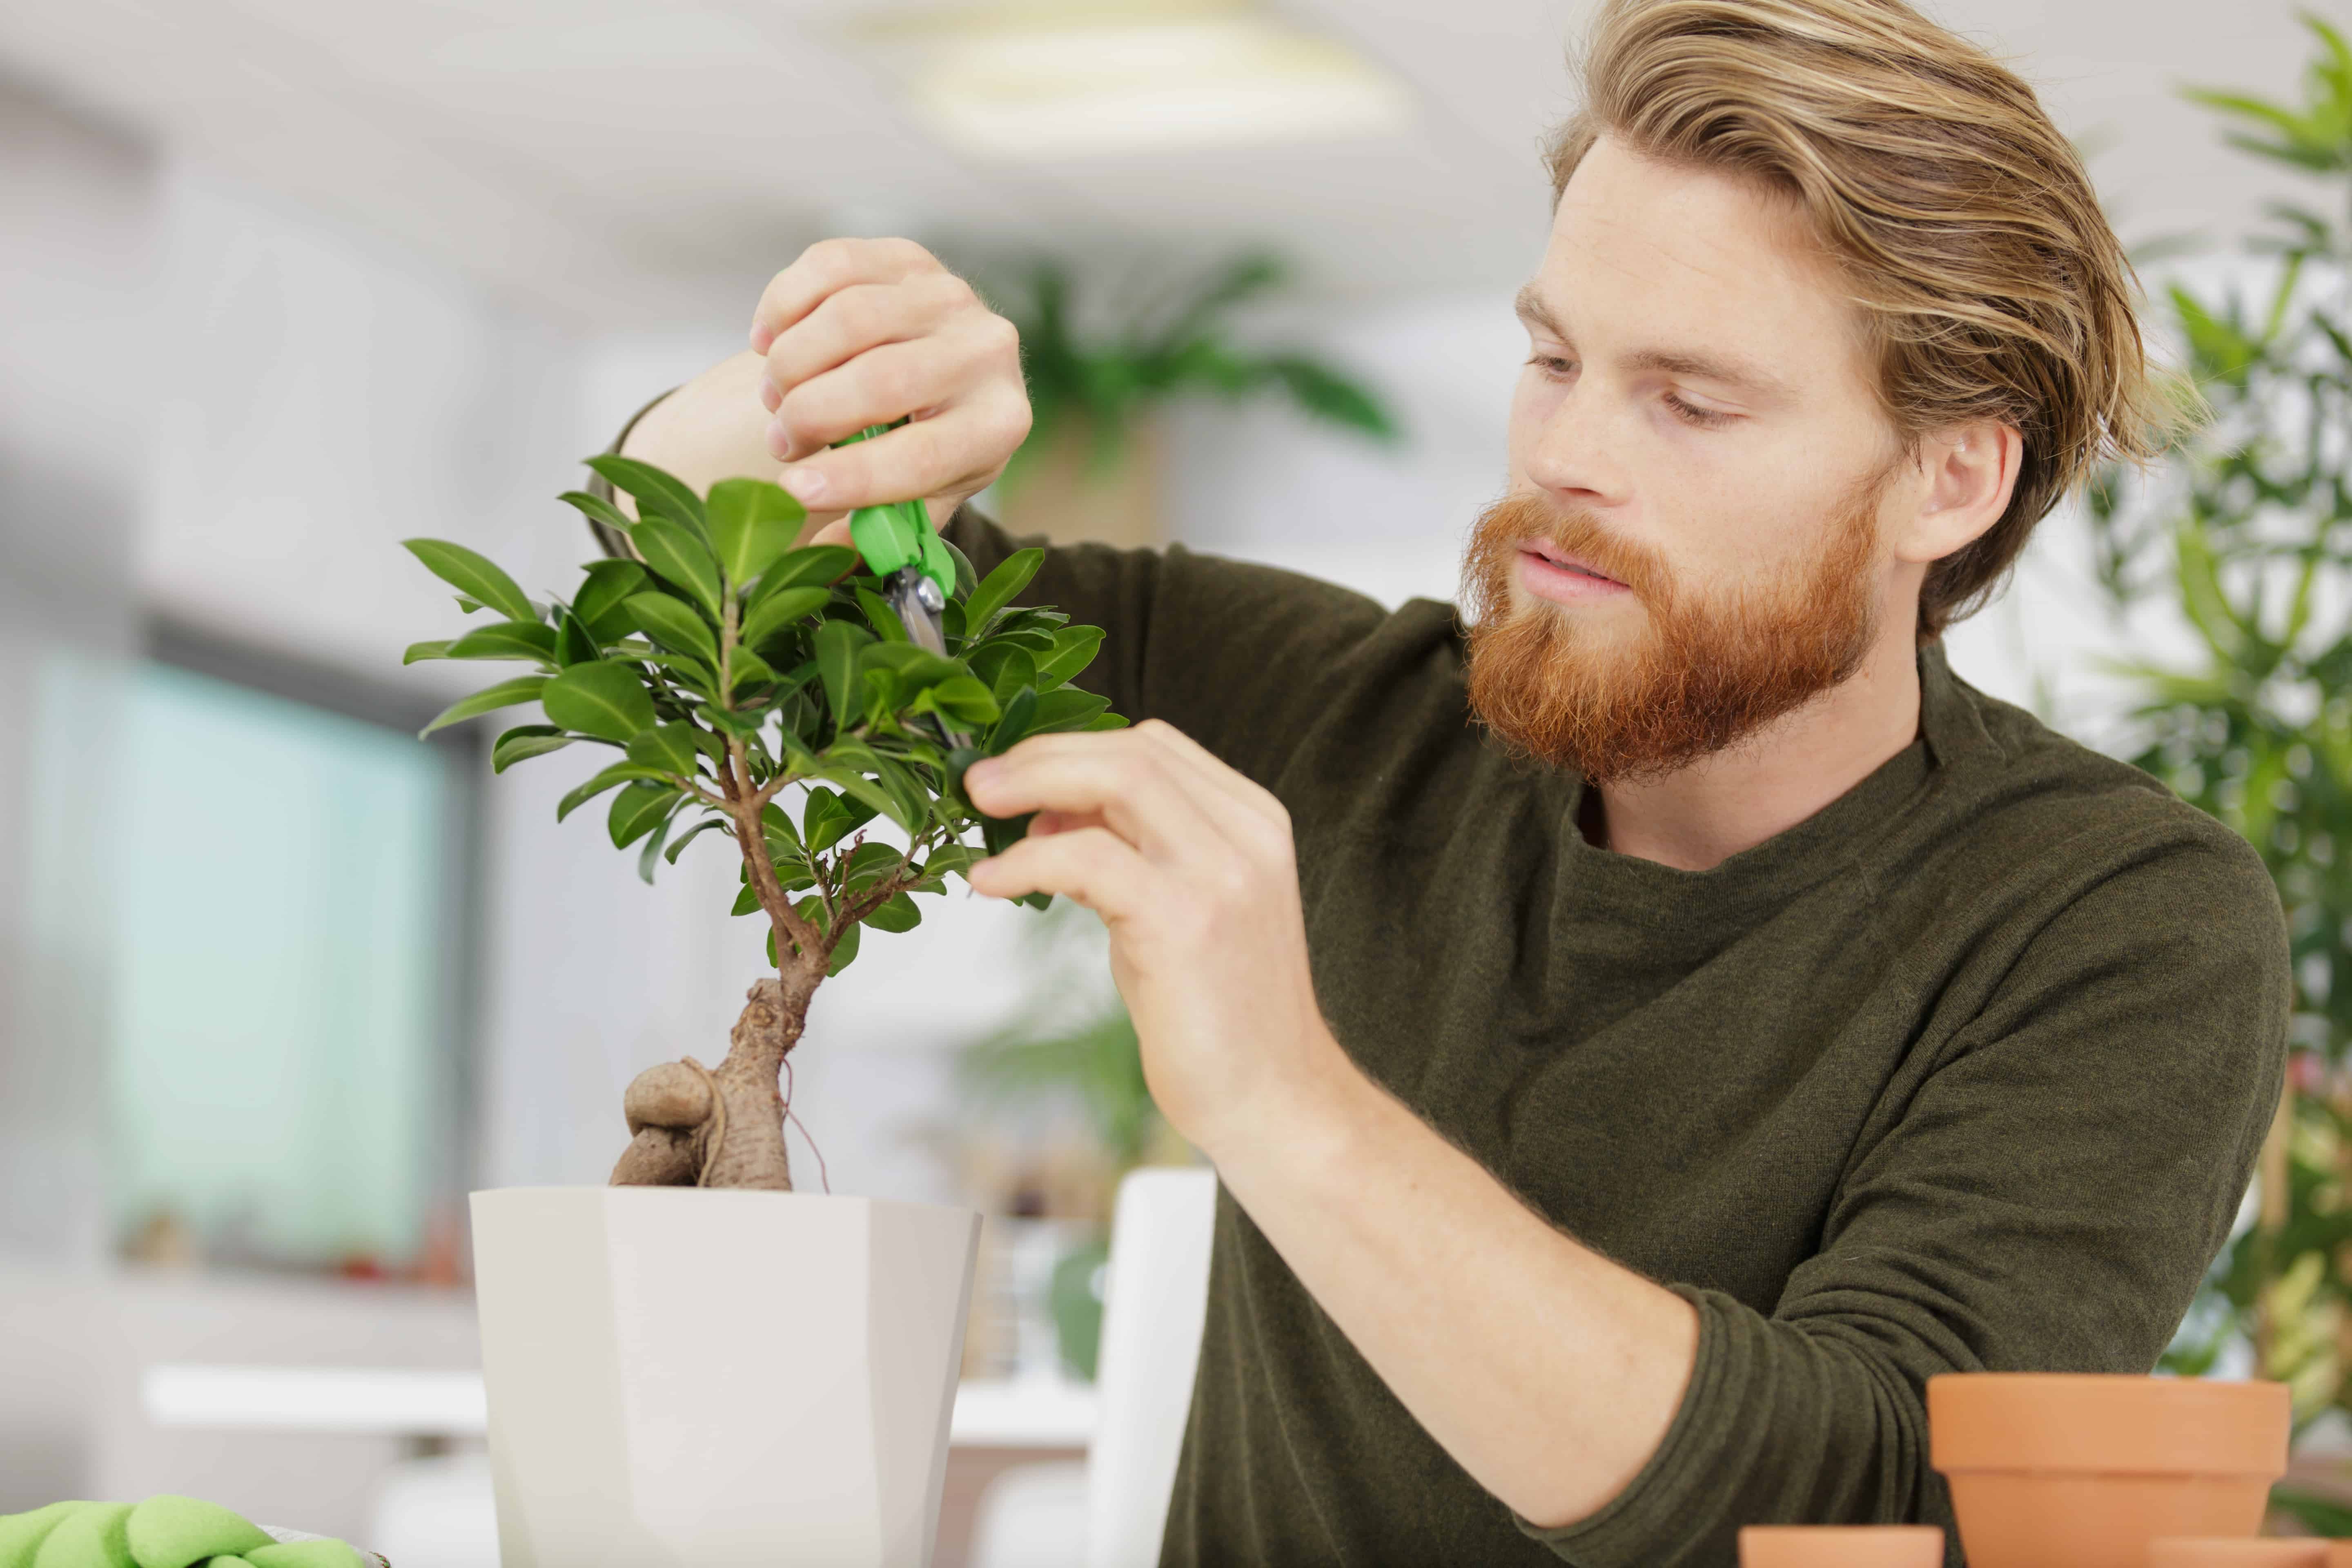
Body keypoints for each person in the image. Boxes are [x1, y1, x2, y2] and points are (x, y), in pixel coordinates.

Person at [602, 0, 2290, 1560]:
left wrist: (1286, 1099)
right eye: (1554, 359)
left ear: (1950, 479)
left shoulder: (2116, 920)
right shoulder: (1325, 711)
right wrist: (824, 389)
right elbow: (701, 602)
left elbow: (1871, 1500)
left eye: (1690, 403)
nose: (1564, 455)